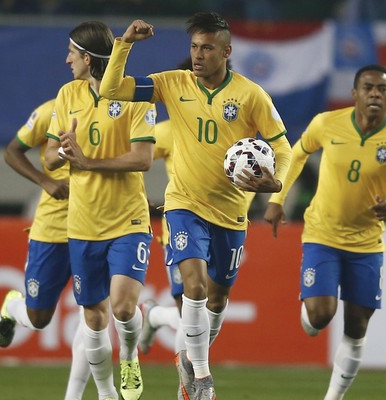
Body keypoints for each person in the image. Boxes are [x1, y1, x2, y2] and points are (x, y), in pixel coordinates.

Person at [99, 12, 292, 399]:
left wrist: (277, 183)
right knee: (195, 285)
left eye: (206, 48)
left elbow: (282, 146)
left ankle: (189, 357)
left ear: (226, 51)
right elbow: (111, 91)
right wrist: (125, 44)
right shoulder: (172, 84)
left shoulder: (251, 95)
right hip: (184, 206)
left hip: (232, 213)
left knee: (216, 301)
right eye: (194, 47)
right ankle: (202, 379)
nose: (198, 55)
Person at [265, 64, 386, 400]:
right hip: (323, 235)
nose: (375, 94)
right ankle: (310, 309)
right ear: (355, 94)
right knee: (320, 316)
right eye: (368, 87)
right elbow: (297, 153)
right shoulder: (326, 123)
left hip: (366, 243)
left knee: (356, 327)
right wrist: (278, 198)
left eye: (382, 88)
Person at [44, 21, 157, 400]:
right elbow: (48, 159)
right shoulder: (66, 95)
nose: (66, 60)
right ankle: (107, 394)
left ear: (87, 58)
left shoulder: (136, 94)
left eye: (71, 54)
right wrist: (65, 151)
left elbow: (143, 159)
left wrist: (89, 161)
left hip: (128, 220)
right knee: (93, 318)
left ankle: (129, 354)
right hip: (83, 224)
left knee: (124, 309)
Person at [138, 57, 257, 358]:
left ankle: (154, 317)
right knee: (189, 305)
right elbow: (136, 163)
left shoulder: (236, 122)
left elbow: (253, 168)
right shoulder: (167, 131)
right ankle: (191, 378)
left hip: (227, 218)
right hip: (182, 220)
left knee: (209, 306)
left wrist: (247, 202)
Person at [0, 99, 91, 400]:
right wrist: (44, 180)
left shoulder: (117, 106)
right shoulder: (53, 109)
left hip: (95, 225)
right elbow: (12, 151)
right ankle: (12, 306)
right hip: (53, 227)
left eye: (72, 54)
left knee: (93, 314)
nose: (68, 60)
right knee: (39, 319)